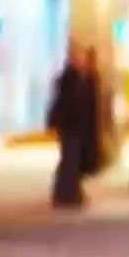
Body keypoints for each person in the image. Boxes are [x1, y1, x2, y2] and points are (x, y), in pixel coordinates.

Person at [46, 42, 96, 208]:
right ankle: (66, 194)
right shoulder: (69, 79)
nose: (80, 60)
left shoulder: (79, 77)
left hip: (73, 127)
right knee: (70, 160)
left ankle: (68, 193)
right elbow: (65, 104)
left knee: (71, 160)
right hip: (70, 126)